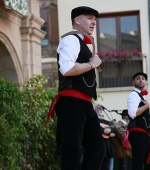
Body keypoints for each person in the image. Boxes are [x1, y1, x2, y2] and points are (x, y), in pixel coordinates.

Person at [46, 6, 105, 170]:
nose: (93, 22)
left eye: (95, 19)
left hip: (84, 104)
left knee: (98, 149)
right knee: (72, 151)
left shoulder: (83, 44)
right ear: (77, 20)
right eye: (89, 18)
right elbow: (67, 69)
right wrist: (92, 64)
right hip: (71, 102)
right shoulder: (70, 39)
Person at [127, 72, 150, 170]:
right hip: (137, 134)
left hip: (144, 135)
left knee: (148, 164)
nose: (141, 80)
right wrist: (146, 106)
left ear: (145, 82)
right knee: (138, 163)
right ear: (133, 82)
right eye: (138, 78)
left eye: (143, 78)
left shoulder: (142, 97)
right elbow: (132, 113)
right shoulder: (133, 95)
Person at [94, 104, 118, 170]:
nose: (100, 110)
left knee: (107, 167)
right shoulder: (93, 121)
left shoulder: (107, 122)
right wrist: (104, 130)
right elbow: (95, 128)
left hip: (108, 148)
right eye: (98, 108)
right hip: (97, 147)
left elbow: (115, 129)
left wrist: (110, 129)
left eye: (101, 108)